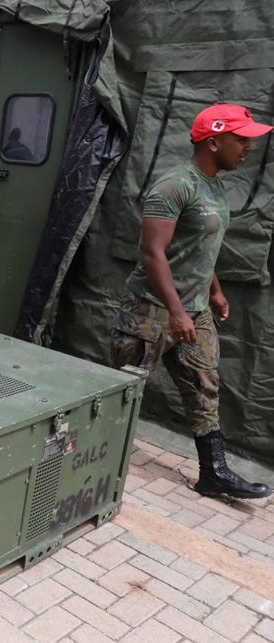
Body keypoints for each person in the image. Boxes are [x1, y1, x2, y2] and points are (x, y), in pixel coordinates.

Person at [111, 104, 273, 499]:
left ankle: (213, 473)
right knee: (121, 390)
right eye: (241, 138)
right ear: (213, 141)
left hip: (195, 310)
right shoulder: (173, 185)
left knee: (204, 387)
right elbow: (153, 253)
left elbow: (201, 247)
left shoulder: (215, 185)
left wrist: (214, 290)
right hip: (150, 311)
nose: (248, 147)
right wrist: (176, 311)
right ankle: (95, 460)